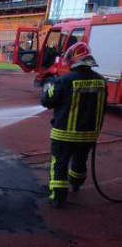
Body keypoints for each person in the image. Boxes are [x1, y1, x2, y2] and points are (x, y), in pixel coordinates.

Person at [41, 42, 108, 208]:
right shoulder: (101, 81)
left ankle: (58, 197)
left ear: (73, 60)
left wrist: (48, 87)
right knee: (80, 160)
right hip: (89, 135)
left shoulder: (64, 80)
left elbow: (47, 101)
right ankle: (76, 184)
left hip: (64, 133)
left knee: (59, 163)